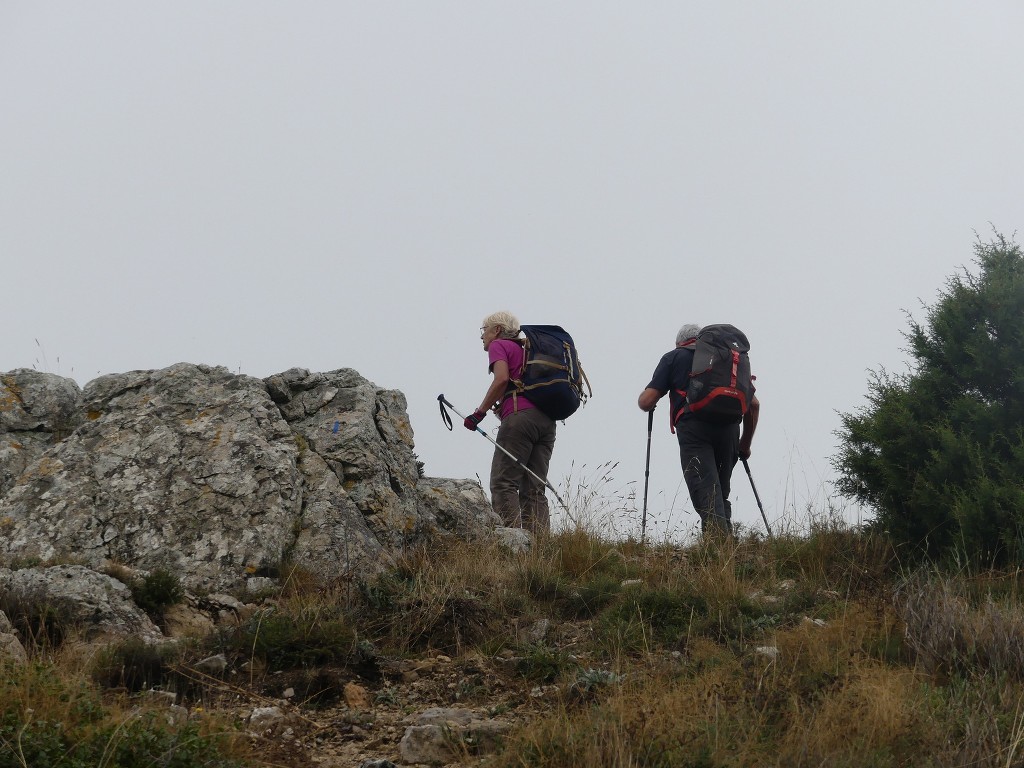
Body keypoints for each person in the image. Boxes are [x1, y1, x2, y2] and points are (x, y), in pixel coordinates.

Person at [637, 323, 760, 536]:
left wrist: (646, 399)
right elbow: (754, 405)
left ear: (680, 343)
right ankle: (725, 551)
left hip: (694, 429)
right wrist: (745, 445)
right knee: (720, 492)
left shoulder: (674, 357)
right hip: (729, 429)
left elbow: (646, 402)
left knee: (706, 490)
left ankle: (718, 549)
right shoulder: (725, 359)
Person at [464, 310, 556, 533]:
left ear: (497, 330)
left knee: (504, 482)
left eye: (484, 330)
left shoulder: (500, 345)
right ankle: (541, 551)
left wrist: (480, 412)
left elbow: (502, 379)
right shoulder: (528, 350)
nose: (482, 335)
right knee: (534, 488)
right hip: (546, 422)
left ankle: (511, 546)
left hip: (519, 420)